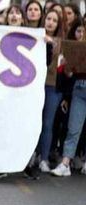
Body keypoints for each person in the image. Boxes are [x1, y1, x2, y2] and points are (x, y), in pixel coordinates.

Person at [52, 18, 86, 176]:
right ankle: (65, 163)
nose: (82, 32)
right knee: (73, 128)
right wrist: (67, 65)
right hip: (79, 87)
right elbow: (69, 73)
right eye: (81, 29)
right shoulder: (76, 46)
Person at [37, 9, 66, 173]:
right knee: (33, 121)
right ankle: (31, 155)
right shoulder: (35, 37)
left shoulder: (61, 43)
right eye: (48, 18)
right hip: (34, 85)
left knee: (47, 123)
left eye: (55, 21)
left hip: (53, 87)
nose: (50, 23)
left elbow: (63, 69)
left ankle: (44, 159)